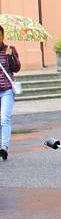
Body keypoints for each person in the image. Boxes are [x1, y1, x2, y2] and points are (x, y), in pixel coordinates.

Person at [0, 25, 21, 161]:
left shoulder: (10, 49)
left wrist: (11, 57)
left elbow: (16, 68)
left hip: (7, 89)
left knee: (4, 118)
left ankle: (4, 147)